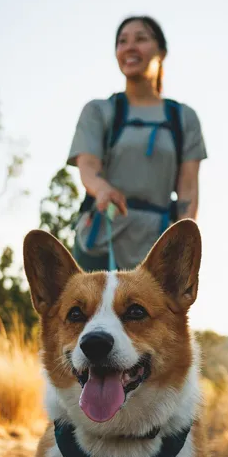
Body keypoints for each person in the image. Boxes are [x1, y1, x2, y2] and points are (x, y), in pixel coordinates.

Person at [67, 15, 207, 271]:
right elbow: (88, 167)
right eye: (122, 41)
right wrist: (101, 189)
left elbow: (188, 191)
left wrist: (184, 248)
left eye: (140, 39)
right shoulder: (99, 111)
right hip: (101, 238)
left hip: (155, 247)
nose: (129, 47)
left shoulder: (183, 118)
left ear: (161, 52)